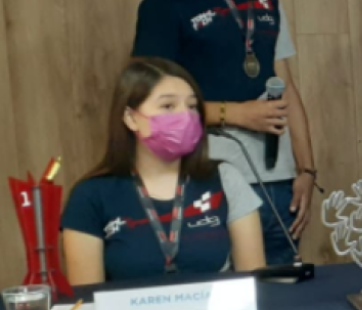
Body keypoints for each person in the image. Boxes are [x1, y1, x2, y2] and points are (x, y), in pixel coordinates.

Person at [132, 0, 317, 266]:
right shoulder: (167, 0)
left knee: (283, 293)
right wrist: (235, 113)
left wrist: (306, 170)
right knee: (219, 293)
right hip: (206, 177)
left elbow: (286, 85)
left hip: (278, 181)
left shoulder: (266, 0)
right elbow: (147, 100)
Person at [62, 59, 265, 284]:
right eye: (168, 106)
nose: (185, 116)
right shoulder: (90, 195)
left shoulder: (225, 178)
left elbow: (256, 283)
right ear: (131, 118)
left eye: (192, 106)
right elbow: (86, 298)